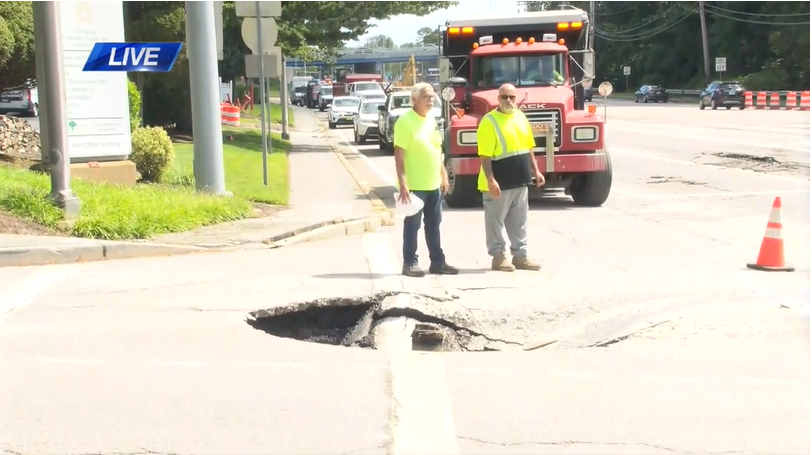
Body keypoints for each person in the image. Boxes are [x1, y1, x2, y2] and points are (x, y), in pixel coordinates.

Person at [476, 83, 545, 272]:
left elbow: (528, 147)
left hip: (519, 180)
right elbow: (485, 155)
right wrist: (491, 180)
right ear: (498, 99)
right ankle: (498, 257)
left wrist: (536, 171)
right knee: (495, 221)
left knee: (519, 222)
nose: (508, 100)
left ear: (516, 99)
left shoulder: (521, 117)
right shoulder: (488, 121)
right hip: (498, 182)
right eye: (504, 97)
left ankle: (520, 257)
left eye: (512, 97)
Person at [394, 82, 459, 278]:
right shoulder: (405, 122)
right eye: (426, 96)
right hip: (414, 185)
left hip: (433, 184)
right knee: (412, 225)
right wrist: (403, 182)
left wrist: (443, 174)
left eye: (432, 96)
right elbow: (399, 155)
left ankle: (437, 262)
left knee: (434, 224)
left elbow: (436, 149)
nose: (431, 99)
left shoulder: (431, 120)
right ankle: (410, 263)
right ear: (414, 100)